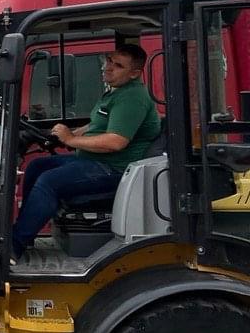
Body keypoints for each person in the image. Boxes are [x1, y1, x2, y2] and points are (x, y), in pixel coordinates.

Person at [11, 43, 161, 261]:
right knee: (37, 166)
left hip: (114, 169)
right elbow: (96, 125)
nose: (108, 67)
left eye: (117, 65)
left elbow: (115, 141)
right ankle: (23, 233)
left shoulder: (132, 98)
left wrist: (72, 139)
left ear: (134, 73)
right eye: (109, 60)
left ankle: (13, 247)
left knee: (49, 181)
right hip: (95, 160)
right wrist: (68, 135)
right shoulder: (116, 93)